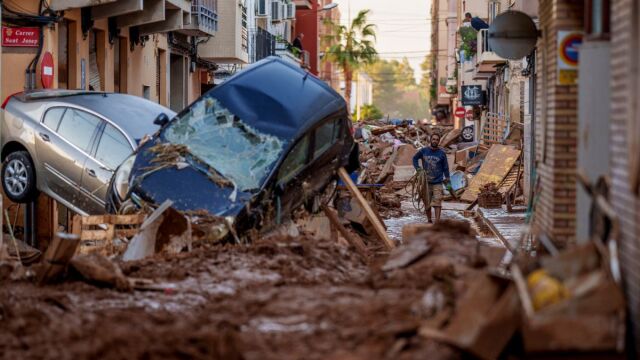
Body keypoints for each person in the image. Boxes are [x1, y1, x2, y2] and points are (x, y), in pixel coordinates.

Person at [412, 133, 450, 223]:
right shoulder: (423, 151)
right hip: (426, 182)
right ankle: (429, 220)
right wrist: (418, 169)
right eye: (433, 139)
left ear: (439, 141)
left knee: (437, 202)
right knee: (427, 203)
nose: (435, 141)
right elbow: (414, 158)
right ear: (430, 140)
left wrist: (448, 179)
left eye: (437, 139)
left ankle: (437, 222)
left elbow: (446, 167)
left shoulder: (442, 153)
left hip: (438, 182)